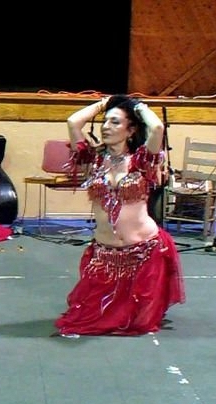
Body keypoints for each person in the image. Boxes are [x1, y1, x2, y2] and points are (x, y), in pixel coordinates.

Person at [54, 95, 186, 337]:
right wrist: (104, 103)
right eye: (105, 121)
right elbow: (73, 122)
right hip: (105, 254)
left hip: (144, 252)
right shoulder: (92, 160)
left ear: (131, 130)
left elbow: (157, 127)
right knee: (85, 318)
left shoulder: (142, 161)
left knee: (137, 322)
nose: (106, 127)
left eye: (115, 122)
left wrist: (135, 105)